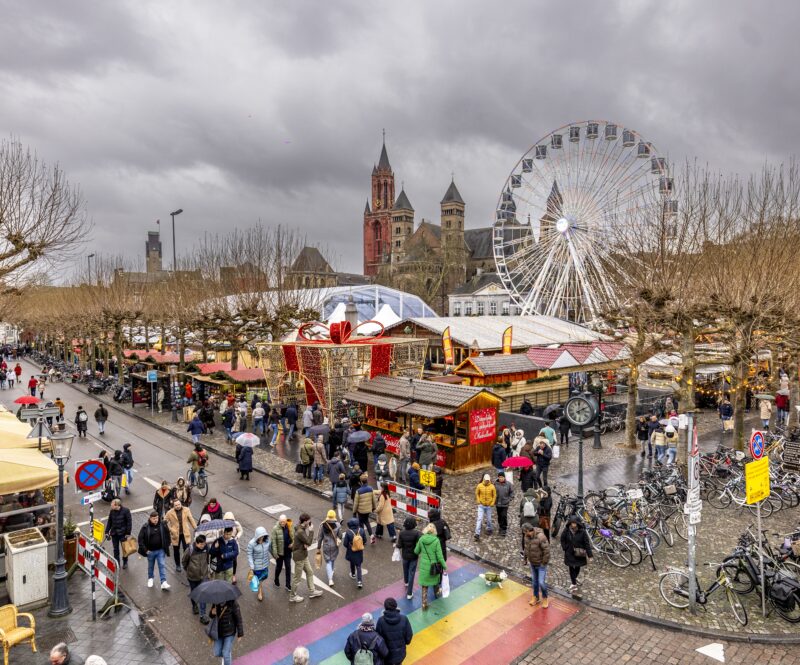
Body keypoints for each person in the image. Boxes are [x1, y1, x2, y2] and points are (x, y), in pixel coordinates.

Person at [290, 513, 322, 602]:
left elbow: (303, 541)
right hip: (300, 557)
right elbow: (309, 542)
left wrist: (304, 544)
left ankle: (312, 591)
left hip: (303, 555)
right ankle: (292, 596)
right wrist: (311, 531)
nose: (310, 523)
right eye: (309, 521)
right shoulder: (300, 531)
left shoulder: (299, 527)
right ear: (305, 521)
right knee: (297, 578)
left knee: (310, 572)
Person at [414, 523, 446, 610]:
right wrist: (445, 566)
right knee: (435, 581)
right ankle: (437, 593)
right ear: (434, 531)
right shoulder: (436, 541)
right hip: (433, 566)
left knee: (425, 585)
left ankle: (424, 604)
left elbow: (416, 551)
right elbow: (440, 556)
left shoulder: (421, 539)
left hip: (424, 567)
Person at [137, 511, 171, 590]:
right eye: (154, 518)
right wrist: (145, 550)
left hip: (160, 550)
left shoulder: (162, 525)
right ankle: (150, 578)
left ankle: (163, 582)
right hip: (150, 551)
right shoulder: (145, 527)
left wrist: (168, 543)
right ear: (150, 518)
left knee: (162, 565)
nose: (155, 520)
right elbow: (140, 539)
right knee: (151, 566)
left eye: (157, 518)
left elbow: (167, 534)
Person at [376, 597, 413, 665]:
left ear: (385, 608)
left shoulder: (381, 621)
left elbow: (378, 639)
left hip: (386, 655)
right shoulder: (404, 619)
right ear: (396, 606)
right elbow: (409, 636)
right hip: (400, 654)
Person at [560, 516, 592, 594]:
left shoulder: (583, 532)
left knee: (577, 567)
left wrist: (590, 555)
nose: (572, 525)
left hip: (579, 553)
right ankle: (573, 583)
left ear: (577, 523)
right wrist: (565, 547)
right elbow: (562, 539)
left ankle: (574, 579)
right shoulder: (567, 530)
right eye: (571, 523)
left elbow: (587, 543)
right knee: (571, 567)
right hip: (569, 552)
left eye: (574, 523)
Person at [183, 534, 210, 623]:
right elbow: (184, 561)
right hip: (193, 577)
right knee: (194, 592)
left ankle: (203, 615)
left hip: (203, 576)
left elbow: (208, 558)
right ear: (197, 543)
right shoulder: (190, 550)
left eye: (204, 544)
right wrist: (188, 570)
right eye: (201, 544)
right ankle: (194, 605)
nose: (203, 546)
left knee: (203, 594)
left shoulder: (207, 548)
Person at [523, 522, 550, 608]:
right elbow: (526, 548)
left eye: (525, 532)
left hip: (541, 564)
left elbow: (547, 551)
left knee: (541, 582)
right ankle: (536, 597)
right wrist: (525, 558)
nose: (524, 534)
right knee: (534, 582)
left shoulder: (541, 537)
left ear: (528, 531)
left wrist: (543, 563)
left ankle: (545, 597)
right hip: (532, 563)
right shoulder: (526, 537)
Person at [165, 498, 196, 572]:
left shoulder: (186, 509)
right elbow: (164, 522)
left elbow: (191, 519)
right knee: (176, 551)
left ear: (181, 504)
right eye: (176, 505)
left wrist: (196, 528)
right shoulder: (169, 513)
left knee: (187, 550)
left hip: (185, 534)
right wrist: (170, 529)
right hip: (175, 535)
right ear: (173, 506)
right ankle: (178, 565)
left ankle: (186, 564)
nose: (178, 506)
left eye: (179, 504)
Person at [209, 597, 244, 665]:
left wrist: (240, 633)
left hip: (229, 632)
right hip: (219, 632)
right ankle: (226, 655)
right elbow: (211, 616)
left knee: (226, 653)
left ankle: (226, 656)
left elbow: (238, 618)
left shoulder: (233, 603)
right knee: (217, 653)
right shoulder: (216, 602)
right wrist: (212, 613)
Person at [104, 498, 132, 569]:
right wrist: (106, 532)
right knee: (115, 549)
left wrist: (128, 532)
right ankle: (117, 563)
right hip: (114, 533)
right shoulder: (112, 511)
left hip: (123, 533)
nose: (111, 505)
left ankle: (125, 562)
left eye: (112, 505)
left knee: (124, 549)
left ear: (117, 505)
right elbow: (109, 522)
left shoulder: (126, 511)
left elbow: (129, 522)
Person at [397, 516, 420, 600]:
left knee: (405, 569)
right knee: (412, 573)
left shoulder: (402, 533)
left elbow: (399, 545)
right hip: (414, 556)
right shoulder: (416, 533)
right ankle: (409, 593)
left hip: (405, 556)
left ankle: (406, 582)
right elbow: (420, 543)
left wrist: (396, 546)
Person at [247, 526, 271, 601]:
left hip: (265, 564)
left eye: (263, 535)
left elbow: (270, 549)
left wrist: (276, 556)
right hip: (256, 566)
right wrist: (252, 566)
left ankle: (259, 585)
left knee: (263, 577)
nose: (262, 537)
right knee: (259, 579)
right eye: (260, 536)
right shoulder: (251, 544)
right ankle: (260, 592)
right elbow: (249, 555)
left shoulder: (267, 541)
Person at [317, 510, 341, 586]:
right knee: (332, 559)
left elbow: (320, 537)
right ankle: (332, 570)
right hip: (334, 545)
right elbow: (340, 536)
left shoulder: (322, 525)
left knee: (328, 561)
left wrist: (318, 547)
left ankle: (330, 579)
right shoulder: (337, 525)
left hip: (326, 546)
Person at [270, 514, 294, 591]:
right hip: (279, 553)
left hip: (288, 551)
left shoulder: (290, 526)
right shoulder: (275, 529)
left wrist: (293, 544)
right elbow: (273, 542)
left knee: (288, 567)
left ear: (286, 521)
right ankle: (276, 579)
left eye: (284, 522)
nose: (282, 523)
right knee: (279, 568)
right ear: (279, 521)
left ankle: (288, 585)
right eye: (281, 522)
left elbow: (293, 537)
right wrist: (275, 554)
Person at [343, 516, 368, 589]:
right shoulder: (362, 530)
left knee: (352, 562)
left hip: (351, 550)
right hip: (359, 551)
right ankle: (359, 581)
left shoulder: (348, 532)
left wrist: (350, 546)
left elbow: (345, 544)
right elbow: (365, 540)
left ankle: (353, 574)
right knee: (359, 565)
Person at [353, 473, 377, 543]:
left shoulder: (358, 491)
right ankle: (371, 535)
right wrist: (374, 507)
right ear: (367, 481)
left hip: (361, 511)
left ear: (361, 482)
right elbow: (374, 500)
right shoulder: (370, 489)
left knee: (361, 524)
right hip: (368, 510)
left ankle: (363, 539)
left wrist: (354, 512)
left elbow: (356, 503)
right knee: (367, 522)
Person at [474, 473, 496, 542]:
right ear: (484, 479)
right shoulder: (479, 485)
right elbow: (477, 493)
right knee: (479, 519)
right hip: (481, 505)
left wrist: (492, 503)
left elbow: (494, 495)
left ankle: (489, 528)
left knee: (489, 519)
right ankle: (477, 533)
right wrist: (478, 500)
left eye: (488, 480)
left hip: (489, 506)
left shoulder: (492, 486)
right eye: (486, 480)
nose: (487, 481)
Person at [494, 471, 514, 536]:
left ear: (504, 477)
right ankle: (500, 526)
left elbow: (511, 492)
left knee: (504, 515)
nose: (500, 478)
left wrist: (509, 499)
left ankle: (504, 529)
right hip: (498, 503)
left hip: (505, 503)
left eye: (502, 477)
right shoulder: (495, 484)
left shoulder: (508, 484)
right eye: (499, 477)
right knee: (499, 516)